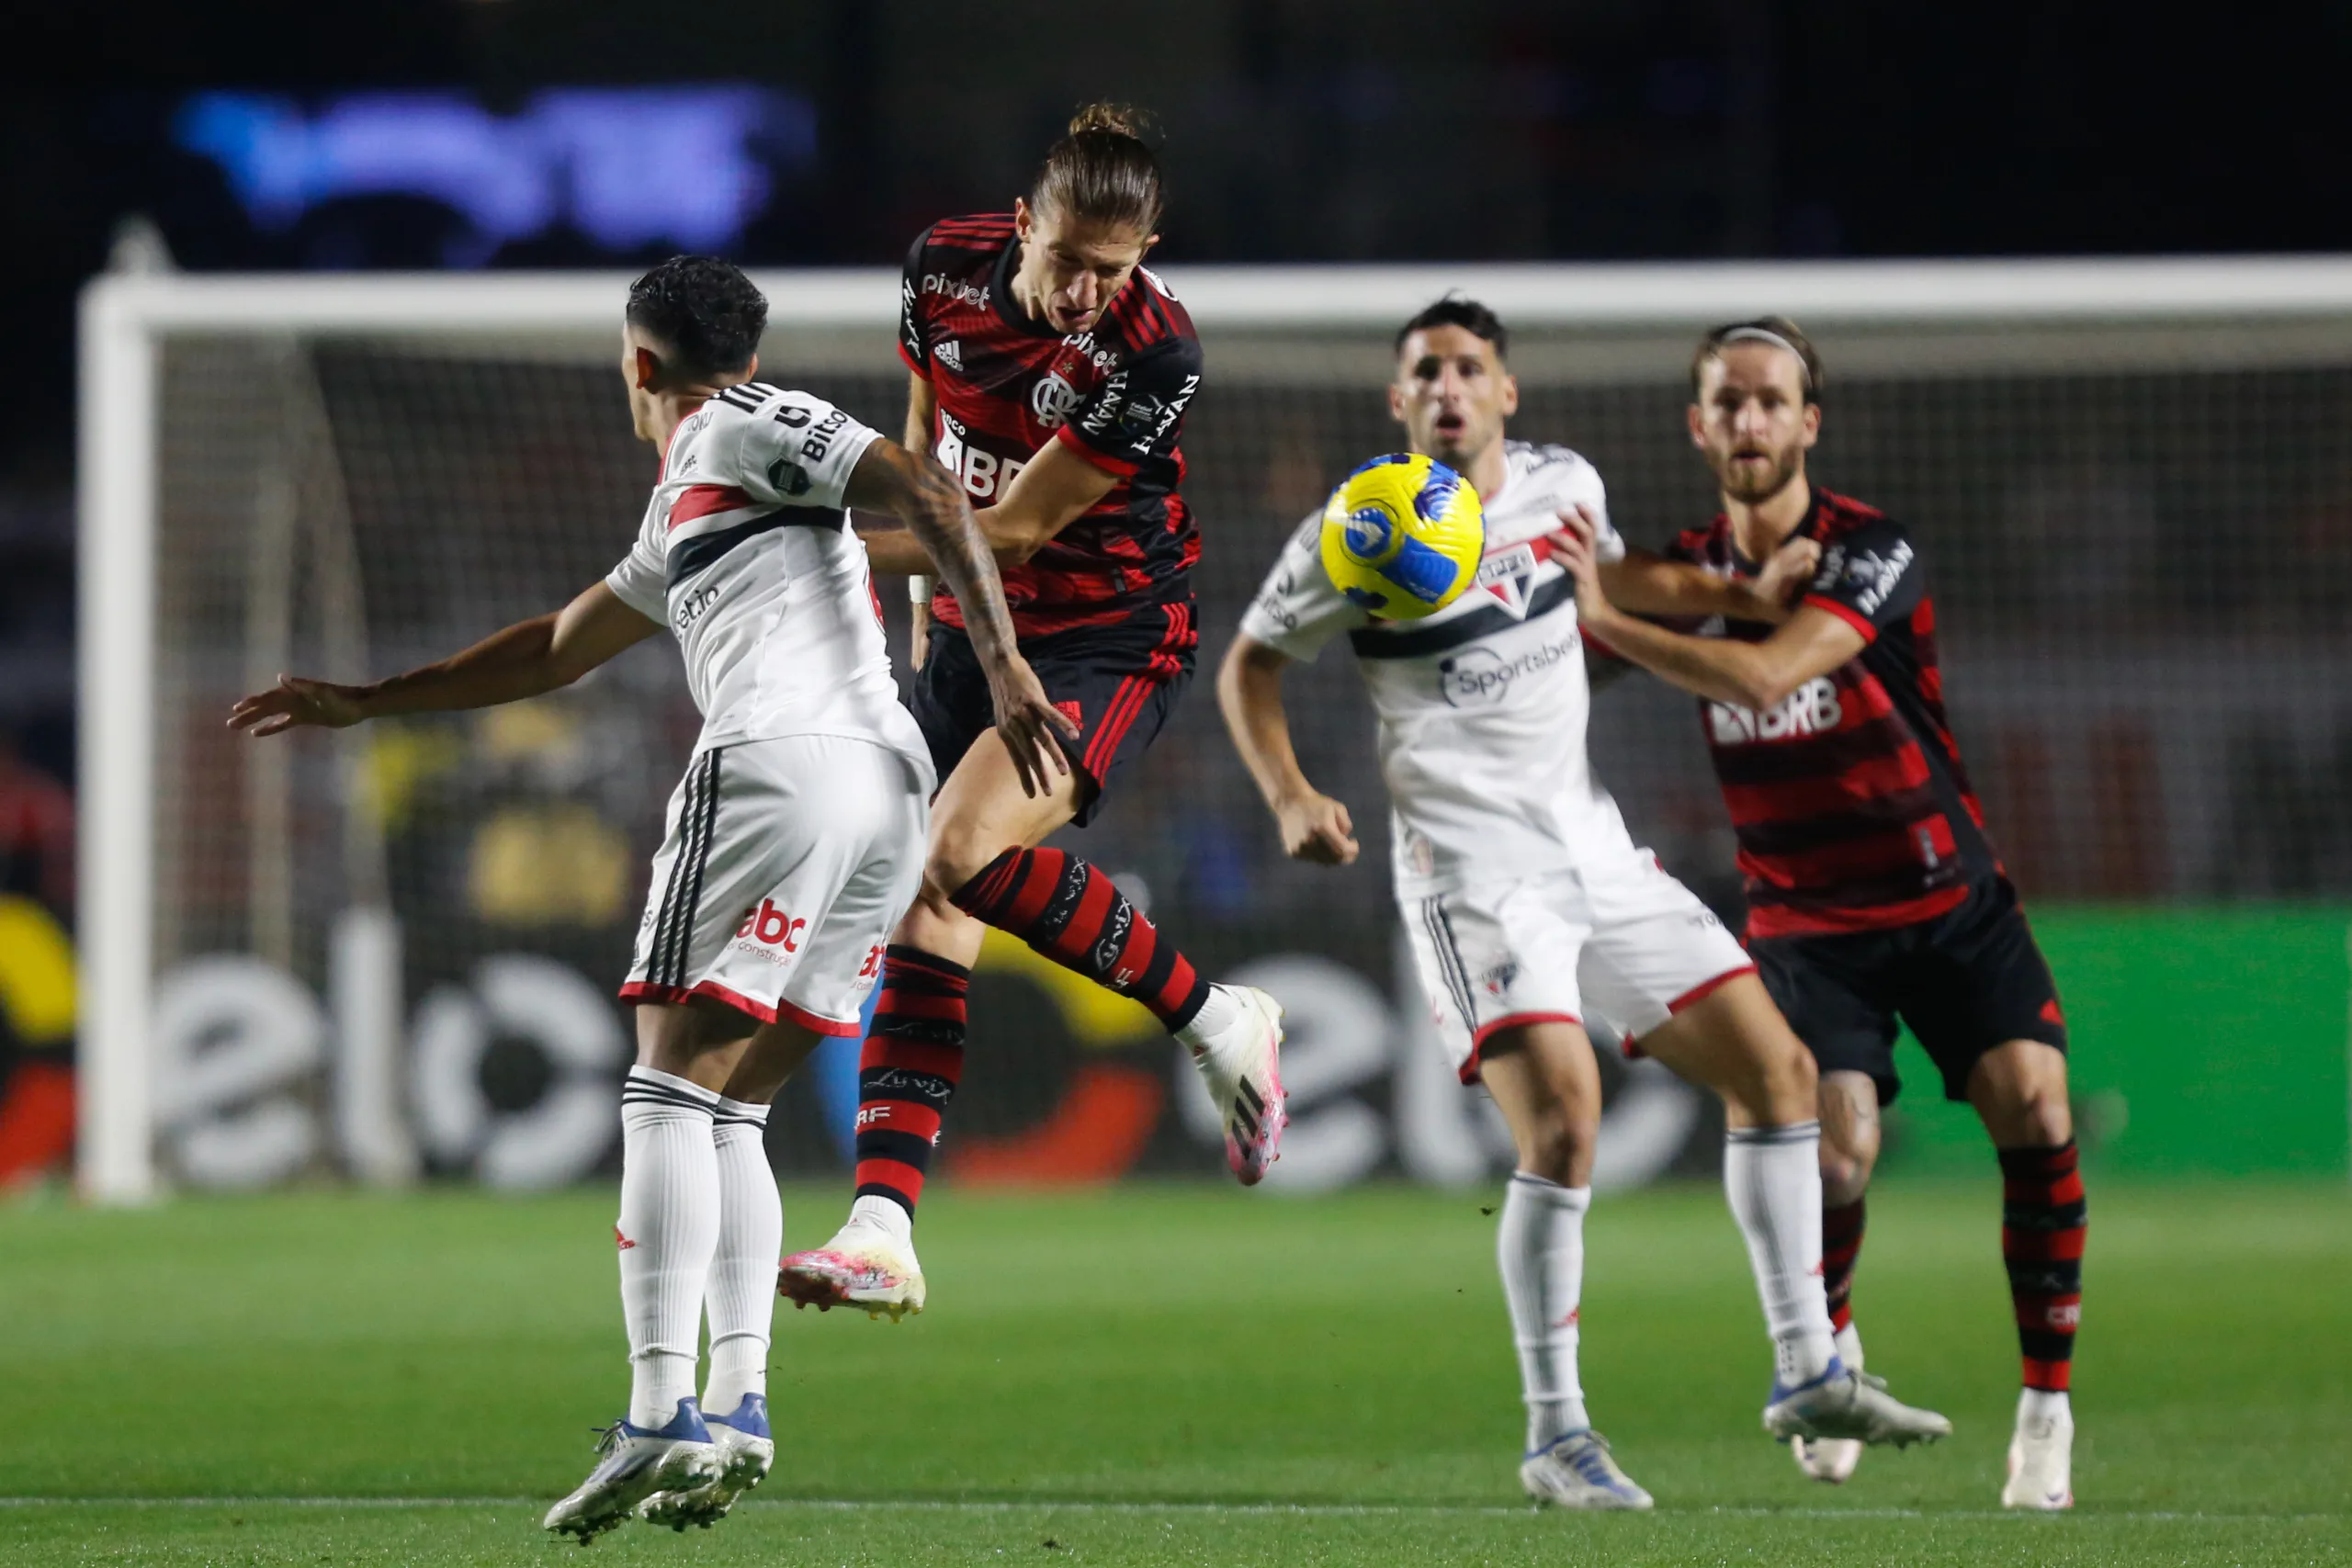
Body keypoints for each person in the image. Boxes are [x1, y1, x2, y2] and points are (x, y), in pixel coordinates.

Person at [230, 256, 1069, 1541]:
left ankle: (659, 1407)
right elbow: (561, 645)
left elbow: (921, 484)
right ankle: (738, 1400)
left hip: (781, 767)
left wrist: (1003, 664)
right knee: (733, 1097)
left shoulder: (748, 421)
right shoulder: (693, 498)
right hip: (877, 793)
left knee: (665, 1084)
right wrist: (372, 698)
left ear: (638, 363)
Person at [1216, 297, 1951, 1512]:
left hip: (1592, 847)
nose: (1447, 388)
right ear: (1398, 403)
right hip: (1470, 876)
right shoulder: (1353, 530)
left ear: (1508, 392)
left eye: (1469, 369)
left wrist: (1752, 598)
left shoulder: (1565, 484)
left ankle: (1809, 1368)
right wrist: (1291, 792)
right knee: (1565, 1119)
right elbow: (1250, 662)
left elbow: (1609, 581)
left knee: (1780, 1077)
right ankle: (1557, 1432)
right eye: (1424, 373)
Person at [1555, 317, 2082, 1510]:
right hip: (1808, 923)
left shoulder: (1873, 550)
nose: (1748, 421)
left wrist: (1612, 615)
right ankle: (1827, 1353)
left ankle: (2044, 1405)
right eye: (1726, 403)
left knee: (2036, 1104)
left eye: (1769, 400)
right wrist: (1591, 611)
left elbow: (1764, 672)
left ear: (1808, 421)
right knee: (1837, 1151)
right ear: (1699, 426)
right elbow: (1578, 622)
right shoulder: (1691, 576)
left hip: (1953, 902)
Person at [782, 104, 1284, 1320]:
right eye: (1067, 260)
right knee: (927, 897)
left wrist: (808, 550)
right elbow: (925, 435)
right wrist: (917, 601)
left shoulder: (1154, 351)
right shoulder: (938, 270)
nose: (1084, 292)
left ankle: (1217, 1016)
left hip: (1105, 633)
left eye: (1113, 270)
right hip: (964, 620)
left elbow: (1011, 528)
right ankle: (881, 1230)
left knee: (952, 851)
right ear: (1024, 224)